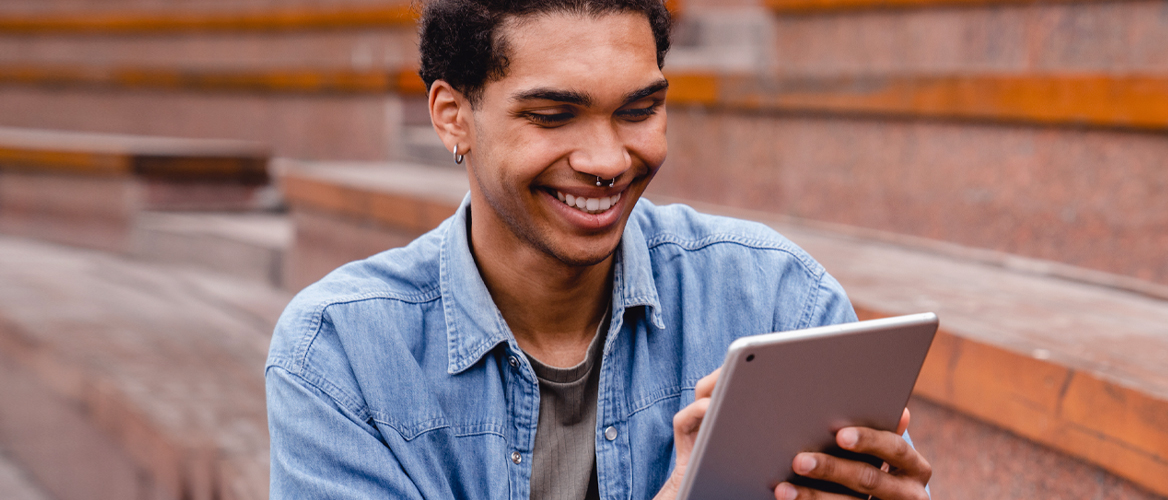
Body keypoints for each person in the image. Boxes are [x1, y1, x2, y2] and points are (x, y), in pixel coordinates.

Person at [263, 0, 934, 498]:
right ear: (452, 117)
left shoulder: (776, 294)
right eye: (553, 116)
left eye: (639, 111)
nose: (608, 161)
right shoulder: (339, 352)